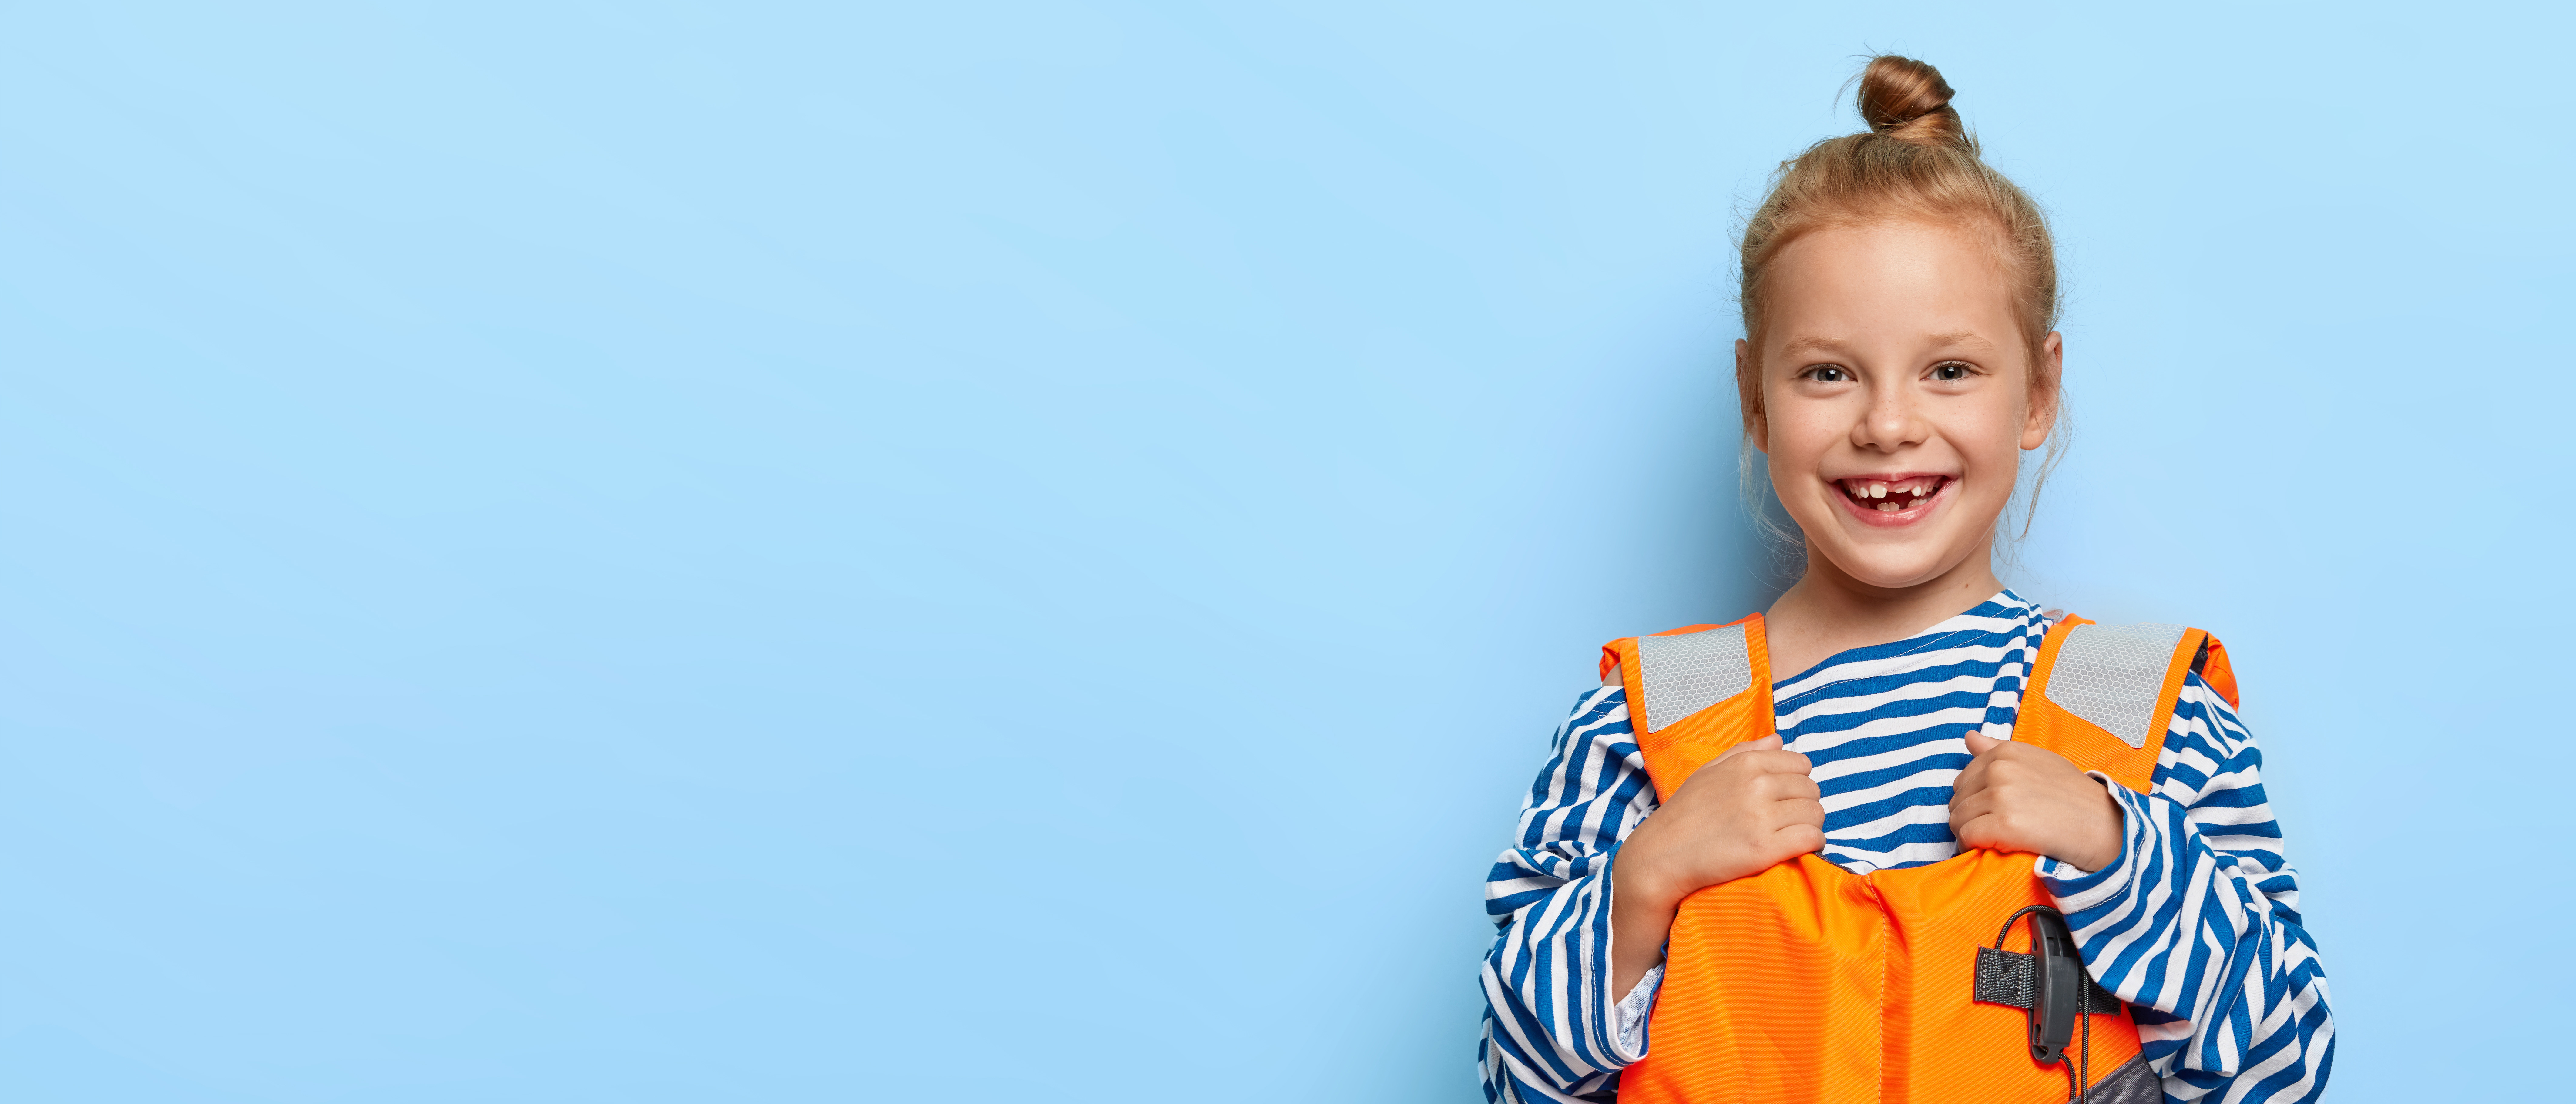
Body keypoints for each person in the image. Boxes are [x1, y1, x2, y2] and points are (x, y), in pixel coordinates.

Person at [1477, 56, 2332, 1103]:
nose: (1887, 424)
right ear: (1754, 395)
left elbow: (2284, 1068)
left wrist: (2115, 850)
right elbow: (1516, 1079)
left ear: (2039, 391)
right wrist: (1645, 880)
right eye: (1827, 372)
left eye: (1951, 369)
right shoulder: (1647, 718)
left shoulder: (2139, 708)